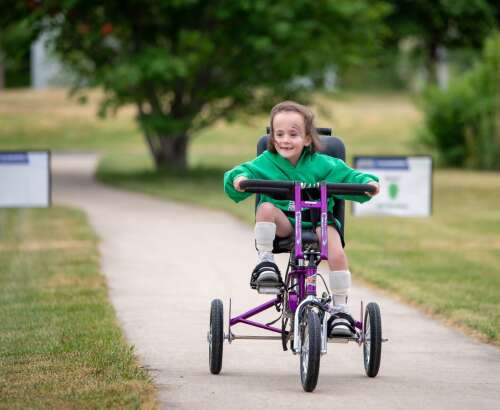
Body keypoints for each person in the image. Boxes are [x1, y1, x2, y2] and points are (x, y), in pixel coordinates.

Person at [224, 101, 380, 336]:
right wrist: (239, 180)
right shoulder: (267, 162)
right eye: (279, 134)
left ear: (307, 138)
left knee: (337, 253)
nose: (285, 139)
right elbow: (239, 173)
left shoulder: (324, 164)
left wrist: (368, 183)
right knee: (265, 208)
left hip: (318, 221)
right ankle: (265, 263)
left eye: (293, 134)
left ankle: (340, 311)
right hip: (284, 225)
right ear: (273, 138)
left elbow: (351, 176)